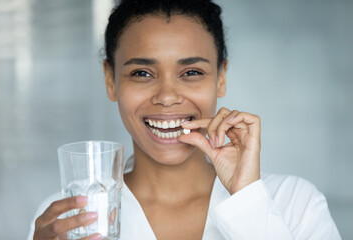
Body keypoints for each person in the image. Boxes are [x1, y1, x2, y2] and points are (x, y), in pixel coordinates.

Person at [29, 0, 341, 239]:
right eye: (141, 73)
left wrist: (248, 200)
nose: (167, 96)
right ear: (111, 80)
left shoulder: (296, 203)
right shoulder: (68, 216)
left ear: (221, 77)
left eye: (191, 72)